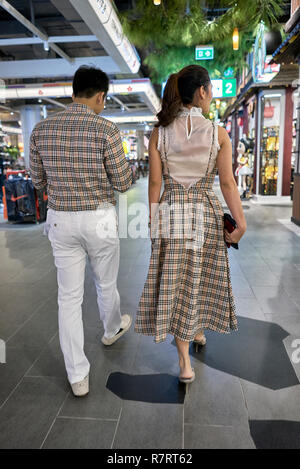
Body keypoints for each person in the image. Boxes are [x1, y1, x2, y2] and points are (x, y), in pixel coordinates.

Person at [134, 65, 247, 384]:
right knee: (199, 273)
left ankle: (185, 360)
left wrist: (153, 221)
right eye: (211, 90)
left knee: (175, 278)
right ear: (201, 92)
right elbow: (227, 183)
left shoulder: (159, 132)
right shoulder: (217, 133)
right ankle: (194, 333)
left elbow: (154, 183)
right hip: (205, 212)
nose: (212, 97)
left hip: (171, 211)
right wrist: (240, 220)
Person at [30, 66, 133, 397]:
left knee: (69, 298)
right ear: (101, 96)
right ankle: (111, 328)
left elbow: (37, 181)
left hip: (61, 219)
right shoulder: (106, 130)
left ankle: (77, 376)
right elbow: (122, 181)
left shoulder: (41, 130)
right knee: (106, 283)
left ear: (74, 92)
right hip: (99, 219)